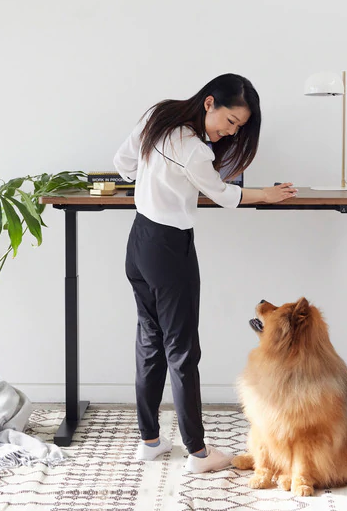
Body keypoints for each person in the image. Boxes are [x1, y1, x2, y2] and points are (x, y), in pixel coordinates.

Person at [114, 73, 297, 473]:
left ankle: (149, 441)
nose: (230, 131)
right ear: (210, 103)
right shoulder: (195, 150)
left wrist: (154, 179)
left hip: (139, 240)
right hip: (169, 247)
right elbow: (223, 193)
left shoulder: (158, 117)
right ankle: (197, 453)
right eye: (230, 122)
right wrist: (265, 193)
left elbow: (122, 164)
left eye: (239, 128)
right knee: (182, 350)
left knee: (150, 340)